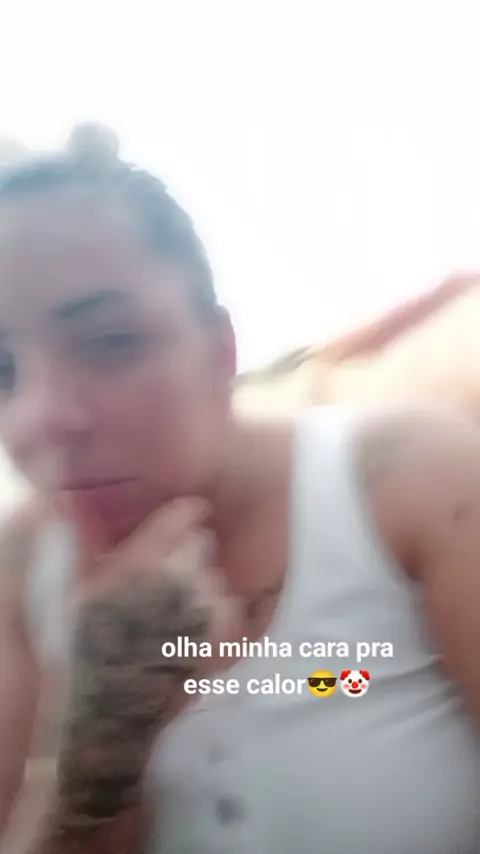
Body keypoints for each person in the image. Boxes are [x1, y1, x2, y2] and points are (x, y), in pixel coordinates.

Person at [0, 125, 478, 854]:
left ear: (220, 351)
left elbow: (330, 683)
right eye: (3, 372)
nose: (40, 418)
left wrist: (315, 680)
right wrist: (101, 739)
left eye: (110, 342)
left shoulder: (405, 480)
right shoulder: (18, 573)